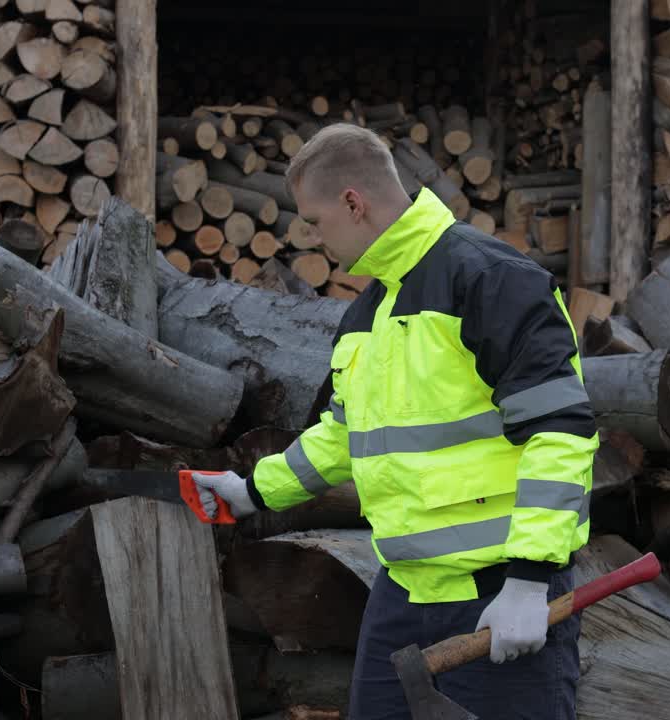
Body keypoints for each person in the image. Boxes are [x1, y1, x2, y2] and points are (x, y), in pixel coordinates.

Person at [192, 123, 598, 719]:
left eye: (316, 221)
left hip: (498, 595)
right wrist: (251, 492)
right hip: (403, 596)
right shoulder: (368, 312)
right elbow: (343, 435)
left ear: (353, 203)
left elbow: (560, 430)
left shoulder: (489, 278)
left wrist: (529, 580)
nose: (315, 238)